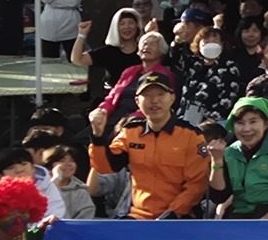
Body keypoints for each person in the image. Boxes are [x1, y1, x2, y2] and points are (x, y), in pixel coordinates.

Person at [86, 72, 210, 220]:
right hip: (139, 216)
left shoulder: (191, 136)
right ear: (137, 101)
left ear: (172, 98)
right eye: (148, 96)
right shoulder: (130, 132)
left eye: (160, 95)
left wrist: (172, 214)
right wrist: (98, 136)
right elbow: (105, 167)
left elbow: (196, 185)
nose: (154, 101)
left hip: (179, 217)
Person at [208, 97, 268, 219]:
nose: (246, 129)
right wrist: (217, 161)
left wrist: (258, 226)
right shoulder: (229, 152)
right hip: (238, 216)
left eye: (253, 122)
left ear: (266, 124)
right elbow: (220, 197)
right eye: (240, 123)